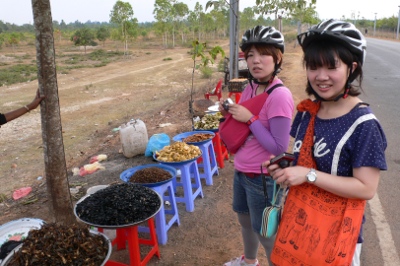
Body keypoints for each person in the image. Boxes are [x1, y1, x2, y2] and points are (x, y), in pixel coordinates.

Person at [264, 19, 387, 266]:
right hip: (299, 226)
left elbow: (366, 188)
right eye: (313, 66)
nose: (321, 77)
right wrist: (287, 168)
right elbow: (307, 159)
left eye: (331, 67)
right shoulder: (309, 111)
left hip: (337, 236)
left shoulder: (364, 125)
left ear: (351, 68)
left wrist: (307, 175)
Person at [220, 25, 294, 266]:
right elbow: (243, 122)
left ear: (277, 57)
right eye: (250, 54)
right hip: (242, 170)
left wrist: (250, 119)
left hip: (262, 177)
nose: (255, 60)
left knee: (266, 233)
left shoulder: (279, 95)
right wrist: (231, 111)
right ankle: (249, 262)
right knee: (245, 222)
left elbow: (278, 147)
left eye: (263, 53)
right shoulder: (251, 86)